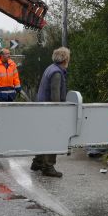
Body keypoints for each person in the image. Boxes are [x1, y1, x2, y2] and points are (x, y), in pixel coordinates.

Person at [31, 46, 70, 177]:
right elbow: (55, 97)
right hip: (50, 110)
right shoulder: (57, 73)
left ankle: (37, 162)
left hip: (42, 108)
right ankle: (48, 167)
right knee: (53, 137)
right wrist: (59, 113)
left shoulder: (50, 68)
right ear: (65, 59)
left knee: (44, 136)